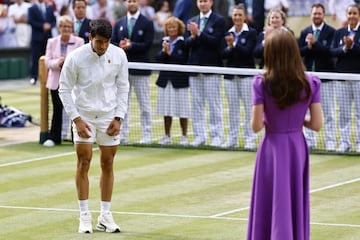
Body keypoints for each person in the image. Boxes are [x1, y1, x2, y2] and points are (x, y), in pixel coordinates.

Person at [247, 28, 322, 240]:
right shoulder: (310, 81)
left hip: (272, 145)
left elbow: (255, 125)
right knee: (293, 200)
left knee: (270, 200)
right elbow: (317, 124)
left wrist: (272, 119)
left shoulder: (261, 82)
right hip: (296, 146)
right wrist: (298, 121)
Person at [59, 18, 130, 233]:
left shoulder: (119, 55)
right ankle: (84, 216)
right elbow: (64, 89)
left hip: (109, 117)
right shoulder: (75, 57)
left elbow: (123, 87)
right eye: (99, 42)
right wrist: (77, 119)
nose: (103, 46)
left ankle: (105, 216)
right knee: (84, 162)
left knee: (108, 163)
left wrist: (119, 117)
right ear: (90, 38)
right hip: (84, 117)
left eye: (107, 42)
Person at [112, 0, 154, 144]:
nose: (131, 3)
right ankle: (122, 134)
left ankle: (147, 135)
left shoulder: (147, 23)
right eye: (129, 1)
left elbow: (148, 44)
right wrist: (121, 46)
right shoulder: (119, 23)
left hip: (141, 70)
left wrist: (132, 45)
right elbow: (114, 43)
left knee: (144, 105)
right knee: (122, 105)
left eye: (134, 1)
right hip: (123, 71)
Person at [185, 0, 225, 147]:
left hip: (211, 68)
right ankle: (199, 136)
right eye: (200, 1)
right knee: (197, 105)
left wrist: (199, 33)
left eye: (205, 1)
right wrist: (193, 36)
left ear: (211, 2)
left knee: (214, 104)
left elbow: (215, 42)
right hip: (194, 68)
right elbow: (187, 43)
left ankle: (217, 136)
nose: (203, 4)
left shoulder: (219, 20)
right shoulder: (192, 21)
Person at [298, 3, 336, 151]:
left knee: (328, 112)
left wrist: (316, 43)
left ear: (324, 15)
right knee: (306, 111)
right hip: (307, 79)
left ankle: (331, 142)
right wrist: (308, 46)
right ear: (311, 15)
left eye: (319, 13)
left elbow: (331, 52)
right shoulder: (304, 32)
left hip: (325, 79)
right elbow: (299, 52)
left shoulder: (331, 32)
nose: (317, 16)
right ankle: (310, 142)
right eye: (314, 13)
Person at [42, 15, 84, 147]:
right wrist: (59, 62)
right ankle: (54, 138)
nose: (66, 29)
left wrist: (68, 62)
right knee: (57, 109)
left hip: (72, 83)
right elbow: (47, 62)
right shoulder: (52, 42)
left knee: (75, 109)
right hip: (55, 82)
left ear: (72, 28)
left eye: (68, 26)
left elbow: (80, 60)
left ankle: (76, 137)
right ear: (59, 28)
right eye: (63, 26)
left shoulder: (79, 41)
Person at [221, 3, 257, 149]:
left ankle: (250, 139)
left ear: (245, 17)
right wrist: (230, 47)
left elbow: (248, 52)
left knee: (249, 109)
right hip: (230, 76)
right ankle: (232, 138)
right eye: (235, 15)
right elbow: (222, 54)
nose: (237, 18)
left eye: (240, 15)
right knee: (233, 109)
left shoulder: (252, 33)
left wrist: (234, 44)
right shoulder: (227, 32)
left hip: (246, 76)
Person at [155, 16, 190, 146]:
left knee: (183, 110)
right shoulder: (164, 41)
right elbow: (158, 58)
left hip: (180, 81)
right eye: (169, 27)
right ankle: (167, 136)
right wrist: (164, 51)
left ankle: (184, 136)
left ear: (179, 28)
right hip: (165, 80)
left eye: (174, 27)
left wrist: (170, 53)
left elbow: (182, 59)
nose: (171, 29)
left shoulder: (183, 42)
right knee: (166, 110)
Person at [330, 4, 360, 153]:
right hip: (341, 77)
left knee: (359, 113)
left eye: (354, 13)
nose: (352, 16)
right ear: (346, 15)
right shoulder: (339, 32)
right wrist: (345, 48)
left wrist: (353, 46)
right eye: (349, 13)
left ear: (359, 15)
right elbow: (332, 51)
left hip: (358, 77)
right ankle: (344, 142)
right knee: (344, 113)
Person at [27, 0, 57, 85]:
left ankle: (48, 76)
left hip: (48, 37)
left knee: (49, 57)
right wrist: (42, 26)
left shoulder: (49, 7)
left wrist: (49, 25)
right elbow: (30, 21)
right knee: (35, 58)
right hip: (36, 38)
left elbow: (54, 21)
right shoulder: (32, 8)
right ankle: (33, 77)